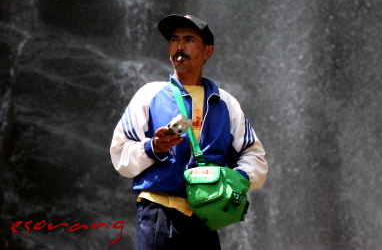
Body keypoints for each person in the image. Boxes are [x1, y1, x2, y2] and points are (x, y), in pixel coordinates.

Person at [110, 14, 268, 250]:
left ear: (208, 52)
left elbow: (254, 156)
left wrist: (236, 181)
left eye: (189, 39)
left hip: (206, 216)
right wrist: (153, 148)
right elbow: (120, 153)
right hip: (158, 214)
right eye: (174, 39)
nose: (179, 46)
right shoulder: (149, 95)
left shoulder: (225, 102)